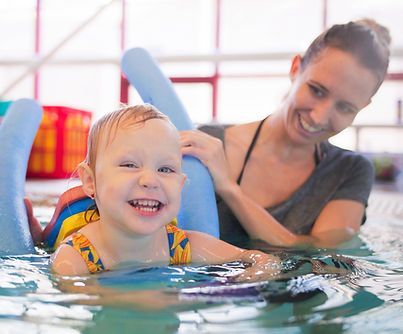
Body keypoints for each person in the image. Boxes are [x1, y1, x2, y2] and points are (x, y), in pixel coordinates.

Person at [180, 19, 391, 248]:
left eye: (345, 107)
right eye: (317, 90)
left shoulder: (348, 171)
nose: (319, 117)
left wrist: (229, 189)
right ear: (295, 68)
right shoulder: (210, 145)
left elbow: (319, 253)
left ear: (363, 107)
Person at [51, 104, 280, 277]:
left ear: (180, 185)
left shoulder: (182, 247)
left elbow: (259, 259)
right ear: (90, 181)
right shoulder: (74, 260)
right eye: (130, 165)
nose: (151, 180)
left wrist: (255, 274)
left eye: (165, 169)